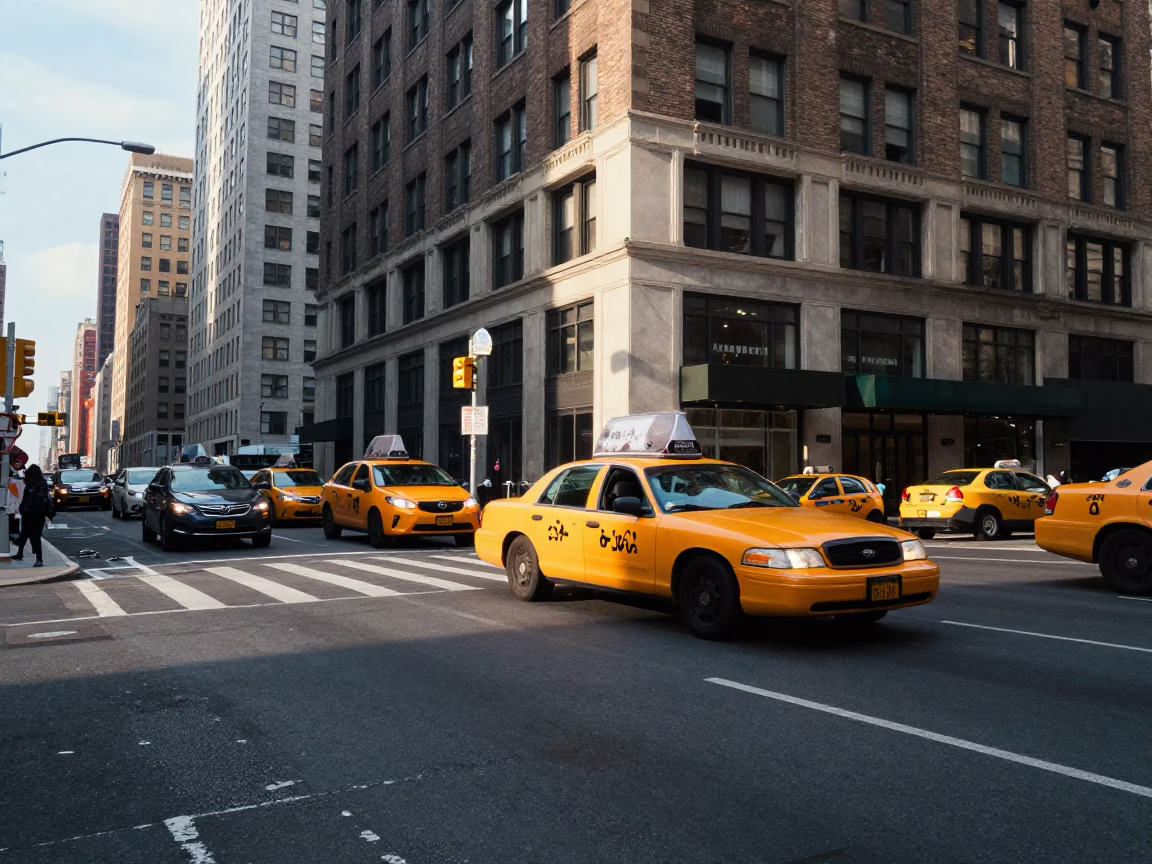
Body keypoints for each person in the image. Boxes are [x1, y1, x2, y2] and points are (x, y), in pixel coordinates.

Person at [15, 464, 53, 566]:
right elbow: (24, 498)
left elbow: (40, 499)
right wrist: (21, 508)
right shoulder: (29, 485)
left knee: (35, 537)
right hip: (28, 513)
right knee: (24, 534)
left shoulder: (41, 484)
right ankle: (20, 553)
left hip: (37, 514)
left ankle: (39, 559)